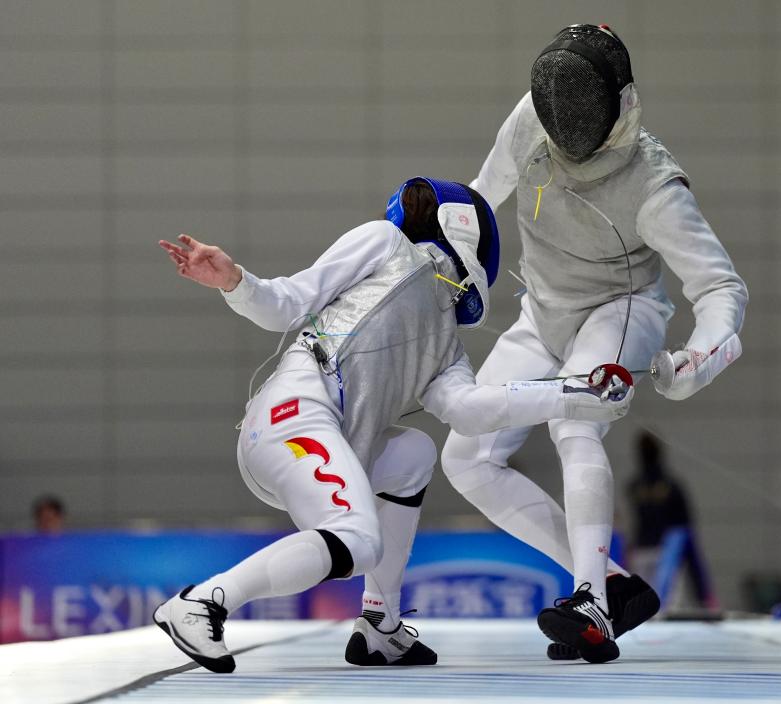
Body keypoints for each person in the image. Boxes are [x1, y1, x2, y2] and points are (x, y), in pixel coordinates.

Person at [152, 177, 633, 673]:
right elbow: (288, 303)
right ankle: (203, 603)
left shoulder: (446, 346)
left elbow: (470, 410)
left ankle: (380, 625)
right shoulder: (384, 241)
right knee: (358, 539)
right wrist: (235, 280)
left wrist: (574, 393)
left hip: (331, 443)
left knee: (414, 454)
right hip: (294, 415)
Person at [441, 24, 748, 663]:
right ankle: (609, 584)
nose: (564, 131)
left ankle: (591, 604)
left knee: (575, 422)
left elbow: (721, 287)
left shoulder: (653, 184)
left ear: (620, 105)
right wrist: (442, 259)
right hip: (543, 311)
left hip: (622, 309)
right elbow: (479, 199)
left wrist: (701, 358)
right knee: (467, 457)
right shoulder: (533, 118)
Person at [628, 433, 713, 609]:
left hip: (647, 549)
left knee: (643, 605)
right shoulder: (671, 487)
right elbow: (686, 530)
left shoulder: (634, 487)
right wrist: (701, 588)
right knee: (663, 605)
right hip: (663, 551)